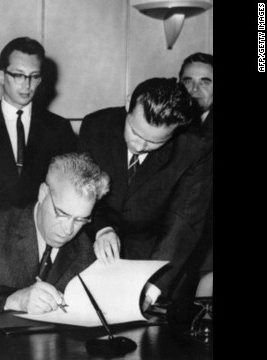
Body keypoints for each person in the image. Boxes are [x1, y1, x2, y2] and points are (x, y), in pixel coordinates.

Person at [79, 77, 213, 306]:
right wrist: (102, 228)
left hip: (159, 257)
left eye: (153, 142)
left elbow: (182, 223)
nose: (139, 146)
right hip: (93, 248)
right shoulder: (96, 125)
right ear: (128, 103)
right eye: (135, 132)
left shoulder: (195, 148)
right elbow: (82, 189)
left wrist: (152, 288)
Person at [0, 153, 109, 314]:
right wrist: (13, 299)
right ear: (43, 193)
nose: (68, 229)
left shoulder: (88, 249)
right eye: (62, 214)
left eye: (80, 219)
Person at [0, 37, 77, 233]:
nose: (26, 85)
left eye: (33, 76)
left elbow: (70, 190)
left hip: (43, 241)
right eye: (18, 75)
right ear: (1, 76)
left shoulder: (59, 129)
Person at [174, 52, 213, 298]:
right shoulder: (168, 122)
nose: (194, 89)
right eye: (188, 81)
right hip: (173, 239)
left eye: (205, 82)